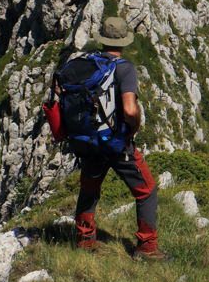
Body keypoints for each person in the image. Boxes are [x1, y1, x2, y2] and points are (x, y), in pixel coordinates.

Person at [73, 16, 170, 260]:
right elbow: (128, 109)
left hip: (89, 139)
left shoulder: (88, 63)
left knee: (89, 189)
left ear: (102, 40)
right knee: (146, 189)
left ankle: (85, 241)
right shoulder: (124, 68)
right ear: (123, 42)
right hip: (116, 143)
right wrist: (134, 127)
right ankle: (147, 248)